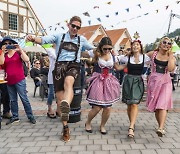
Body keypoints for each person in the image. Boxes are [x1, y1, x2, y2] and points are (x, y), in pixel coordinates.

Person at [26, 16, 94, 142]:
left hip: (73, 65)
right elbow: (44, 39)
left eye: (78, 27)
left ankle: (66, 105)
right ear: (68, 25)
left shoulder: (82, 40)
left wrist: (100, 51)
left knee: (69, 82)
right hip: (59, 66)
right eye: (73, 26)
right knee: (59, 99)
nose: (75, 29)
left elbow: (93, 50)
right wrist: (33, 38)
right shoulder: (59, 36)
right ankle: (65, 127)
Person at [82, 37, 122, 135]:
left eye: (109, 48)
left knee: (108, 107)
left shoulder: (113, 55)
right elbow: (82, 53)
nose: (107, 50)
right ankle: (88, 122)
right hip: (98, 81)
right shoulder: (95, 52)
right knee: (97, 107)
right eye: (105, 49)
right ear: (101, 47)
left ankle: (102, 125)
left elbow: (117, 67)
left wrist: (129, 65)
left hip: (109, 82)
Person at [118, 40, 150, 138]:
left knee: (135, 104)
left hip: (138, 81)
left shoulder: (145, 57)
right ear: (131, 47)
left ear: (140, 47)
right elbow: (114, 58)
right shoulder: (127, 57)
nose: (135, 46)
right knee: (129, 104)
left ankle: (131, 127)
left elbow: (155, 58)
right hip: (128, 80)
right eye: (134, 45)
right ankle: (132, 122)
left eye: (137, 45)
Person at [0, 36, 36, 125]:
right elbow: (1, 63)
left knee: (24, 98)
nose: (7, 45)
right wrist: (2, 52)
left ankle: (30, 116)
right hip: (9, 81)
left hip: (20, 80)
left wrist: (20, 50)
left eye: (9, 43)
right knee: (13, 100)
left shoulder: (17, 53)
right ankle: (15, 116)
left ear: (13, 44)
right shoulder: (4, 55)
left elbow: (27, 59)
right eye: (5, 43)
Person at [146, 37, 176, 137]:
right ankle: (160, 126)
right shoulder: (153, 54)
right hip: (154, 81)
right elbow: (141, 57)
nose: (166, 44)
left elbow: (171, 69)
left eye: (169, 43)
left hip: (165, 82)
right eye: (164, 42)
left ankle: (161, 128)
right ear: (160, 44)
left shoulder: (171, 56)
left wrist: (171, 56)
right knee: (156, 107)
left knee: (162, 104)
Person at [46, 44, 57, 118]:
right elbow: (55, 57)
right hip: (53, 75)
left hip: (61, 74)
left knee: (60, 92)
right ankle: (49, 109)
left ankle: (59, 109)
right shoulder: (50, 49)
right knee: (51, 93)